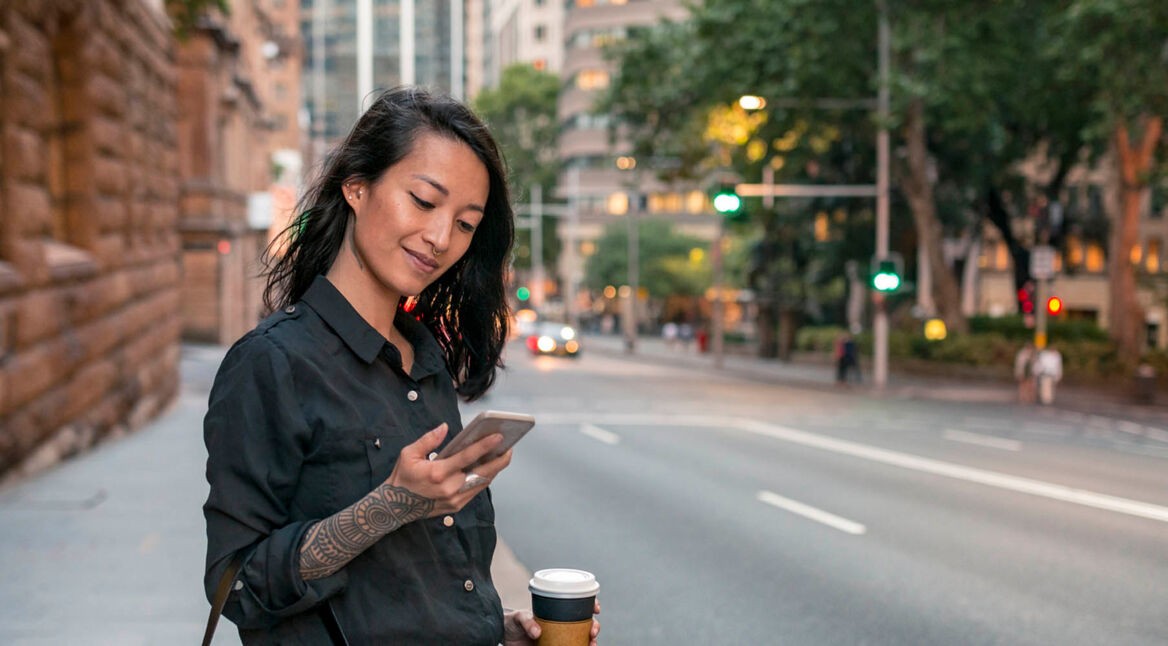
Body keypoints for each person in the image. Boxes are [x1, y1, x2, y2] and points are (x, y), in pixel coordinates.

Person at [202, 87, 599, 645]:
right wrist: (388, 506)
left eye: (465, 224)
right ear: (357, 187)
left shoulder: (425, 364)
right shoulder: (271, 363)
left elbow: (420, 583)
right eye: (423, 200)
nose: (440, 238)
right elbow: (236, 586)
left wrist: (499, 631)